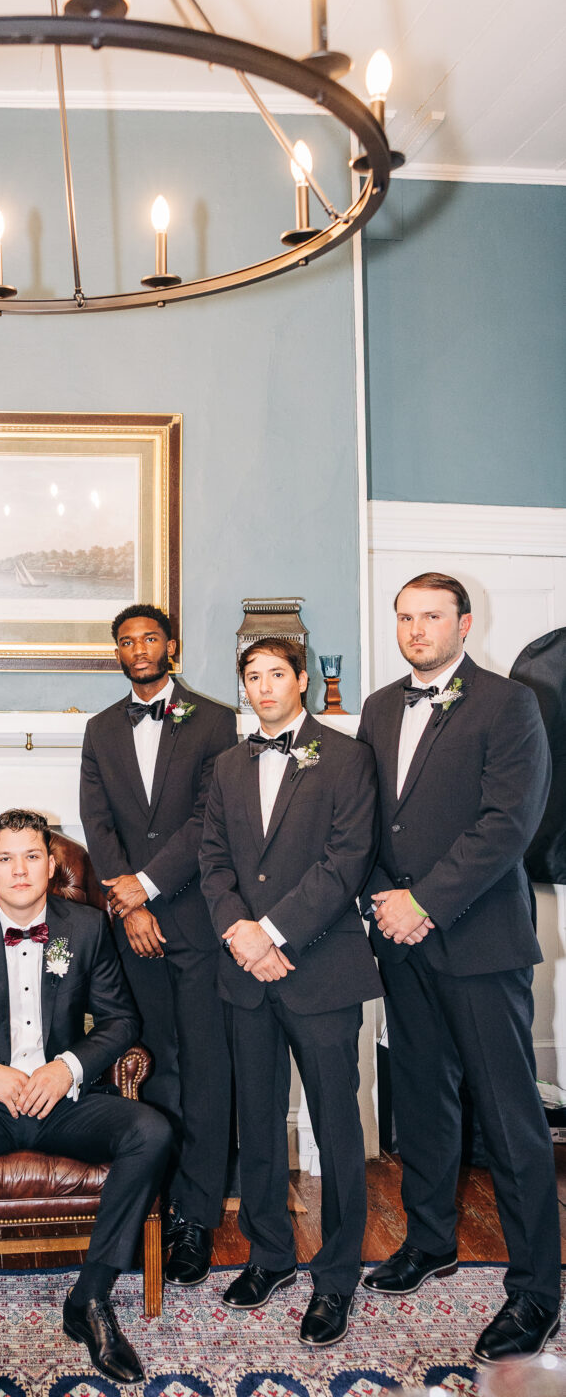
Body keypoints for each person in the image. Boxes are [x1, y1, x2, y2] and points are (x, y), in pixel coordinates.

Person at [0, 808, 172, 1388]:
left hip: (64, 1102)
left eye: (31, 856)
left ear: (51, 865)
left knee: (152, 1132)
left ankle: (90, 1300)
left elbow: (121, 1022)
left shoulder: (87, 928)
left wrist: (67, 1068)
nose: (19, 870)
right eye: (4, 859)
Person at [358, 573, 559, 1365]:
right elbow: (367, 817)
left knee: (509, 1120)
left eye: (430, 617)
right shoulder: (377, 707)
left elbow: (507, 824)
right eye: (404, 617)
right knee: (421, 1099)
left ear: (463, 624)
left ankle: (536, 1292)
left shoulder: (510, 704)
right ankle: (431, 1241)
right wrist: (382, 900)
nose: (415, 630)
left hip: (477, 941)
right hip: (396, 939)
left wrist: (424, 902)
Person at [200, 638, 381, 1347]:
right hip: (242, 970)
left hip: (320, 967)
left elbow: (347, 860)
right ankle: (268, 1255)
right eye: (252, 676)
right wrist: (239, 935)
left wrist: (273, 932)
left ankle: (336, 1277)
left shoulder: (345, 757)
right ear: (242, 686)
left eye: (277, 673)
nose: (264, 686)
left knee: (336, 1127)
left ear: (301, 681)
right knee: (258, 1120)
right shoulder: (224, 765)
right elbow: (211, 859)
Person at [79, 604, 236, 1285]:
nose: (138, 648)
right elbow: (97, 820)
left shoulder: (214, 721)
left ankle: (196, 1220)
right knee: (152, 1064)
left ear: (170, 645)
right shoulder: (99, 729)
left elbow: (209, 821)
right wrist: (124, 898)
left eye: (149, 637)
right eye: (126, 640)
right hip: (129, 924)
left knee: (203, 1068)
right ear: (115, 652)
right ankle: (156, 1203)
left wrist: (146, 887)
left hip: (197, 920)